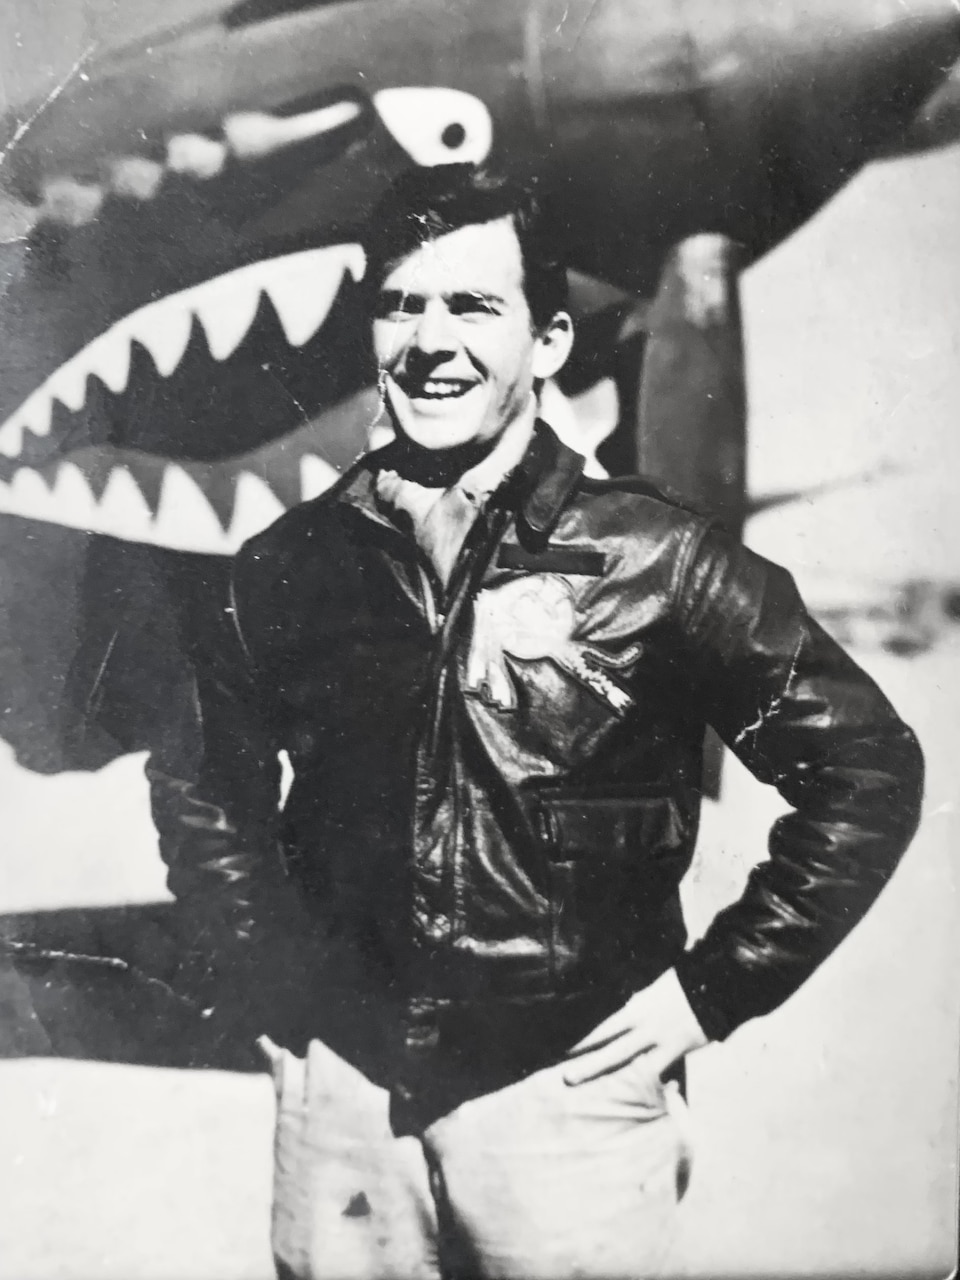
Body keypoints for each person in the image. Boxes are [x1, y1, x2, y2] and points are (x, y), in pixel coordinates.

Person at [149, 164, 924, 1280]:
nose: (429, 341)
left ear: (549, 340)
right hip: (347, 1106)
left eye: (472, 305)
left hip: (568, 1100)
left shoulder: (656, 559)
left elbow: (866, 768)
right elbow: (200, 782)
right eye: (402, 303)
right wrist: (267, 985)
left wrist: (711, 992)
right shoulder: (283, 565)